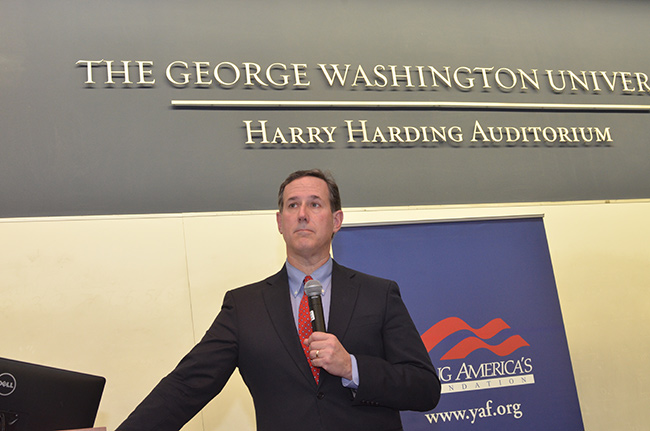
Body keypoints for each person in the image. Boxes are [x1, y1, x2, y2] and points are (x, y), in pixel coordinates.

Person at [116, 169, 440, 431]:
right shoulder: (244, 307)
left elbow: (425, 388)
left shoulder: (378, 294)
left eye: (315, 204)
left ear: (336, 220)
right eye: (292, 205)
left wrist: (352, 367)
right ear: (279, 222)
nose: (302, 215)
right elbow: (187, 385)